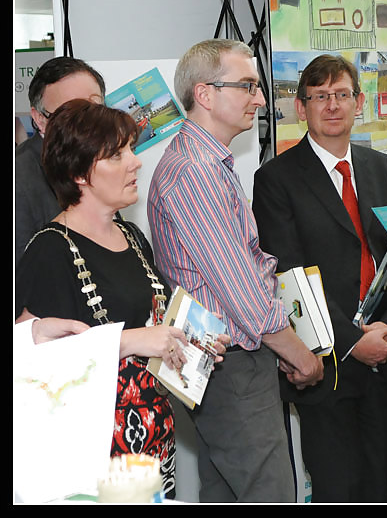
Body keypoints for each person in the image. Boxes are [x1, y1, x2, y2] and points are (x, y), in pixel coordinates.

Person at [14, 99, 224, 498]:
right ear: (78, 173)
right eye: (117, 154)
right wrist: (130, 341)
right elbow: (29, 357)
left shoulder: (131, 236)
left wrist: (197, 339)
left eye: (131, 148)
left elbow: (159, 322)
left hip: (153, 436)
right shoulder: (51, 249)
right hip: (91, 450)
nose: (135, 162)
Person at [147, 39, 323, 503]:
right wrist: (298, 352)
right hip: (233, 367)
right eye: (247, 86)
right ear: (204, 94)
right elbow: (241, 291)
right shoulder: (196, 170)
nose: (261, 99)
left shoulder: (208, 162)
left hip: (222, 362)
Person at [252, 54, 387, 502]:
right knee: (337, 489)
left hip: (384, 355)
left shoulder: (382, 167)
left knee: (378, 488)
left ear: (358, 102)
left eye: (341, 95)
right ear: (301, 107)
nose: (332, 106)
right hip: (326, 366)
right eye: (319, 97)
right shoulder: (275, 179)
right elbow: (286, 276)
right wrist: (350, 339)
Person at [15, 56, 106, 267]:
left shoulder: (101, 161)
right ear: (40, 119)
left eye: (95, 107)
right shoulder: (19, 181)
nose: (88, 122)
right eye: (71, 112)